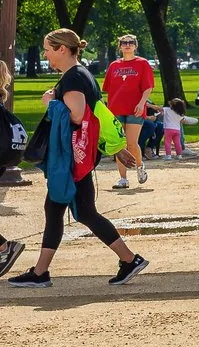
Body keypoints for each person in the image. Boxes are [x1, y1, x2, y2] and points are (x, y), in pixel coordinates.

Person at [6, 31, 148, 288]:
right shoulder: (81, 75)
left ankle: (42, 274)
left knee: (76, 210)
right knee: (70, 209)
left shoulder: (73, 77)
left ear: (62, 49)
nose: (45, 54)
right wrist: (115, 148)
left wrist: (51, 102)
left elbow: (77, 114)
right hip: (80, 154)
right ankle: (43, 272)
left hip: (72, 156)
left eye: (48, 49)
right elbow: (98, 114)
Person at [102, 32, 155, 189]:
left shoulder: (143, 63)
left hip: (135, 109)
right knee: (119, 145)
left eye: (131, 42)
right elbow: (108, 88)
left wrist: (142, 103)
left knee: (131, 143)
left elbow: (148, 87)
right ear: (120, 46)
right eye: (124, 42)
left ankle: (139, 166)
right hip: (116, 109)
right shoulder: (114, 66)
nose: (127, 45)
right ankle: (123, 178)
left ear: (135, 46)